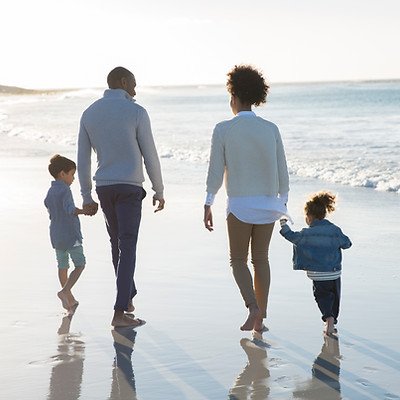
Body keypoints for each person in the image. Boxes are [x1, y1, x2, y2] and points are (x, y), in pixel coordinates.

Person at [204, 65, 290, 332]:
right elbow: (283, 169)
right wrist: (283, 202)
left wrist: (208, 201)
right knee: (261, 260)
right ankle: (260, 320)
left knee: (238, 260)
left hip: (240, 204)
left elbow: (216, 170)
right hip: (269, 205)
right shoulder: (270, 128)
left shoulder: (223, 128)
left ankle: (252, 307)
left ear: (234, 96)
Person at [77, 66, 165, 328]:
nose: (136, 90)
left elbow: (83, 159)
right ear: (123, 82)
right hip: (128, 188)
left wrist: (85, 194)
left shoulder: (89, 113)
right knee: (127, 245)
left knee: (117, 244)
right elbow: (150, 155)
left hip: (104, 188)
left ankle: (127, 300)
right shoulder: (136, 112)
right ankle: (119, 312)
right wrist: (159, 190)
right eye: (134, 84)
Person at [279, 191, 352, 335]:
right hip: (334, 272)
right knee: (335, 296)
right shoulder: (335, 230)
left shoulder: (305, 234)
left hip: (317, 274)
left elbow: (290, 236)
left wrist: (283, 222)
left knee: (322, 296)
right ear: (324, 214)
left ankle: (328, 317)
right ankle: (333, 319)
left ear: (309, 217)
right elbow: (347, 244)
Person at [45, 154, 88, 314]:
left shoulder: (50, 191)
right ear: (62, 174)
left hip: (56, 234)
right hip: (70, 234)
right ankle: (65, 292)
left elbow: (49, 209)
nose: (73, 178)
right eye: (72, 174)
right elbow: (70, 209)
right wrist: (84, 211)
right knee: (80, 264)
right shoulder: (65, 189)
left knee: (62, 265)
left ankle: (68, 299)